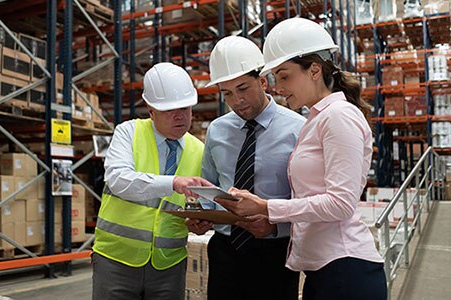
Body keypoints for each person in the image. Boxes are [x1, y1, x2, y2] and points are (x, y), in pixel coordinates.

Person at [215, 18, 387, 300]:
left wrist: (267, 207)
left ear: (315, 70)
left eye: (284, 76)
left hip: (345, 269)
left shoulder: (339, 116)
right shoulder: (318, 118)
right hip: (324, 270)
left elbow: (341, 203)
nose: (279, 88)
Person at [187, 36, 305, 300]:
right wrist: (200, 217)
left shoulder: (298, 129)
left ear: (263, 82)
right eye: (227, 93)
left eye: (243, 88)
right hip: (224, 250)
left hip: (275, 251)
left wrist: (276, 227)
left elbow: (308, 201)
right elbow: (209, 188)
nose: (237, 100)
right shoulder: (217, 130)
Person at [92, 62, 212, 300]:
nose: (179, 116)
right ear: (150, 110)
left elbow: (196, 203)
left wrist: (199, 220)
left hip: (169, 264)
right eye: (169, 110)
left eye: (185, 109)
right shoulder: (129, 133)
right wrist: (173, 182)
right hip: (116, 259)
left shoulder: (200, 149)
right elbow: (118, 179)